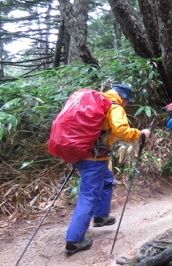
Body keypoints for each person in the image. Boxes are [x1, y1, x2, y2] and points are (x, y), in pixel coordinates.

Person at [64, 83, 152, 256]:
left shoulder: (93, 102)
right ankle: (74, 241)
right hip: (94, 158)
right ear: (124, 98)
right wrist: (140, 134)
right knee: (89, 196)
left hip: (79, 153)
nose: (126, 104)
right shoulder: (114, 107)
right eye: (127, 102)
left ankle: (101, 216)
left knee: (107, 180)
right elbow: (121, 130)